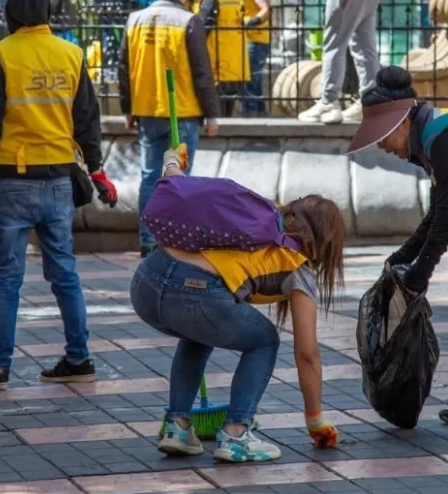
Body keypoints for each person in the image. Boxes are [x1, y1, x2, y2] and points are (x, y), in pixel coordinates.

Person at [130, 157, 344, 462]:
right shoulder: (298, 264)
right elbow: (307, 353)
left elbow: (180, 184)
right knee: (265, 340)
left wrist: (171, 160)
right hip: (193, 295)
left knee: (197, 333)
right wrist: (315, 419)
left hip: (146, 282)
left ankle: (177, 428)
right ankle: (236, 435)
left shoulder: (246, 222)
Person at [0, 0, 118, 390]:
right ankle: (79, 357)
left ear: (12, 10)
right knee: (65, 275)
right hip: (59, 182)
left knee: (7, 278)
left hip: (11, 182)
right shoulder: (71, 55)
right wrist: (96, 170)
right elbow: (87, 123)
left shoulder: (0, 54)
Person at [345, 65, 448, 436]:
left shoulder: (446, 138)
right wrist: (401, 258)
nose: (382, 146)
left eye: (383, 136)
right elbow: (435, 214)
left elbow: (447, 218)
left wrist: (420, 273)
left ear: (403, 122)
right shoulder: (432, 140)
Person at [118, 0, 221, 257]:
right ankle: (175, 241)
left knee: (150, 177)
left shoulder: (135, 19)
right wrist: (212, 114)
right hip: (182, 113)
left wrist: (128, 107)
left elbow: (123, 68)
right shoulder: (189, 20)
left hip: (147, 110)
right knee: (179, 177)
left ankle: (148, 240)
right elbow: (202, 71)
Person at [193, 0, 250, 118]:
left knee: (214, 117)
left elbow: (201, 34)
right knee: (227, 115)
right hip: (235, 67)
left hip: (217, 68)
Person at [231, 0, 273, 117]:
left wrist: (249, 22)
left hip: (255, 41)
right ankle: (260, 120)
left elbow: (266, 9)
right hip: (247, 41)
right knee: (252, 85)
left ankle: (251, 120)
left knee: (248, 84)